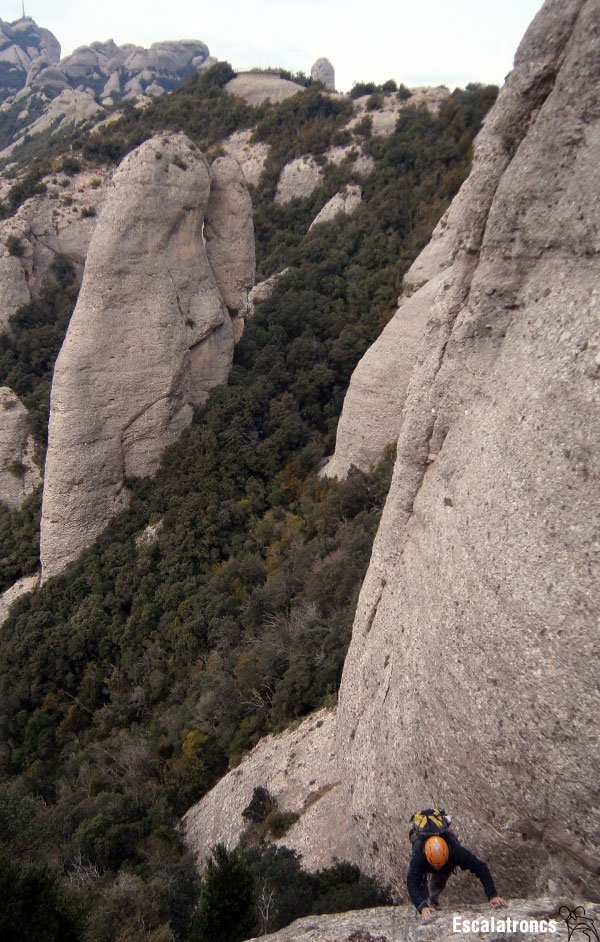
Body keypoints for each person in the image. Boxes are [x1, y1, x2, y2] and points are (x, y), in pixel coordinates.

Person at [407, 816, 507, 923]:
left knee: (440, 879)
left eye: (439, 865)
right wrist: (422, 906)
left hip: (447, 863)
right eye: (435, 865)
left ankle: (433, 900)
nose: (437, 867)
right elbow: (411, 883)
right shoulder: (419, 856)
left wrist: (493, 895)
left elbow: (480, 867)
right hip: (426, 863)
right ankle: (426, 903)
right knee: (421, 886)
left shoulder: (456, 851)